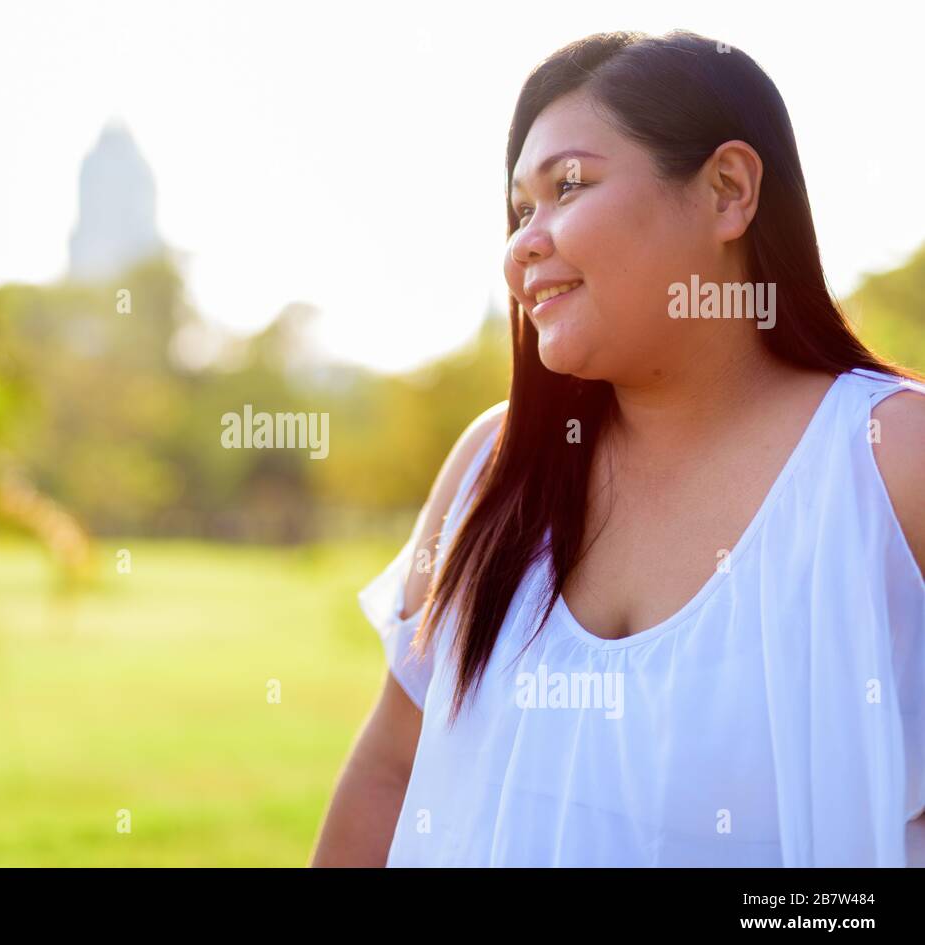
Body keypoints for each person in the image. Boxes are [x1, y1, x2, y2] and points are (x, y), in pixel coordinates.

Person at [311, 30, 925, 867]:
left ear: (728, 190)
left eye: (569, 186)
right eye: (520, 209)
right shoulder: (490, 464)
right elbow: (390, 769)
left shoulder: (890, 458)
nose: (523, 242)